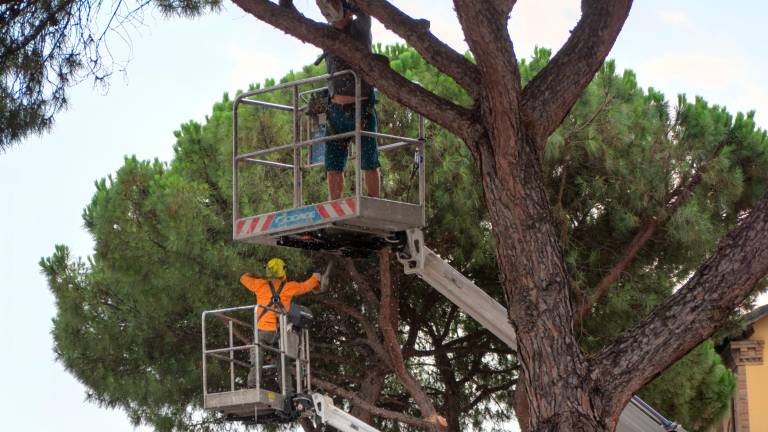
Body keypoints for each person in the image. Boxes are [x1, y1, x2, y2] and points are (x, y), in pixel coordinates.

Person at [317, 0, 380, 200]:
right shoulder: (326, 34)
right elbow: (293, 20)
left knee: (369, 160)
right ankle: (334, 203)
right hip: (335, 111)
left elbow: (365, 11)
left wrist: (346, 5)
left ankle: (374, 200)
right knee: (333, 164)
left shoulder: (359, 28)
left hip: (361, 109)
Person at [240, 258, 324, 390]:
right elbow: (306, 286)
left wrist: (254, 271)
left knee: (257, 357)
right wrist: (316, 277)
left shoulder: (259, 284)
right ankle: (287, 391)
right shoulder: (289, 287)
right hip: (280, 332)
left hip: (263, 331)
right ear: (283, 271)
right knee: (283, 362)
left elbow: (243, 278)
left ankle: (252, 386)